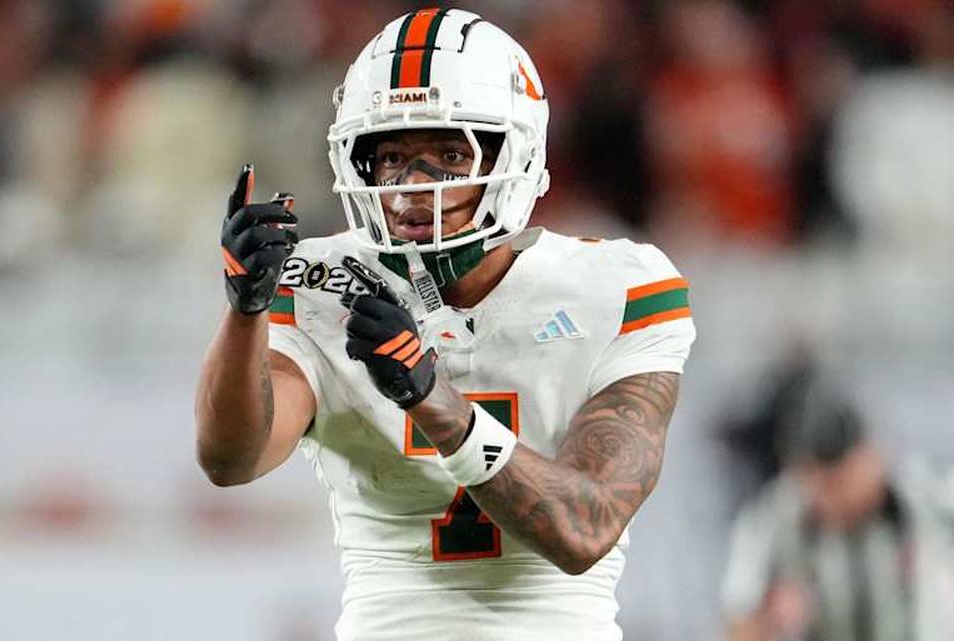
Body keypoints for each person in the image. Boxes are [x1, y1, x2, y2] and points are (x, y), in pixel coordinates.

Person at [196, 8, 696, 641]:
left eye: (450, 154)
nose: (414, 184)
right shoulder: (322, 280)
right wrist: (245, 313)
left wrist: (432, 400)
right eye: (394, 156)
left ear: (516, 152)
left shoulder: (620, 286)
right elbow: (231, 459)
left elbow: (585, 528)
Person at [721, 384, 954, 641]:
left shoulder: (922, 503)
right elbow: (739, 620)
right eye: (817, 485)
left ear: (870, 455)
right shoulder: (773, 523)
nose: (829, 500)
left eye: (838, 482)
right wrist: (768, 621)